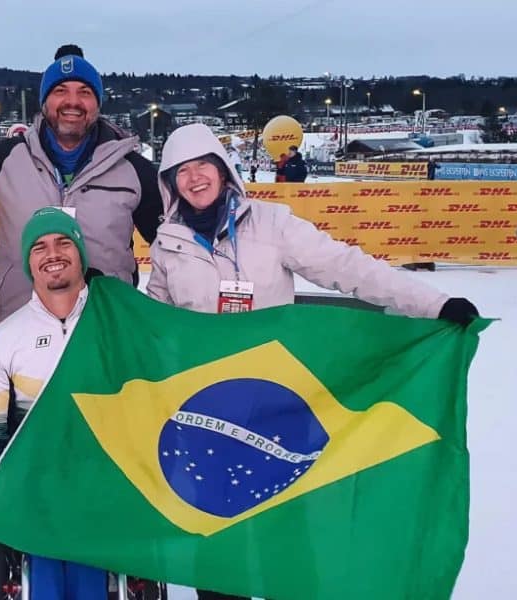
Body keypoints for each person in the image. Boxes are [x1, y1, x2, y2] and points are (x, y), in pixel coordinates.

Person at [147, 124, 478, 600]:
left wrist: (433, 304)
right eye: (180, 172)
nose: (194, 178)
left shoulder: (271, 224)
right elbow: (155, 325)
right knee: (216, 541)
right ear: (169, 183)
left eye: (203, 165)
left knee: (285, 532)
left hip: (279, 408)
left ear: (223, 169)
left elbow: (347, 268)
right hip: (209, 416)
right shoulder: (167, 244)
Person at [0, 207, 107, 599]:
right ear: (29, 263)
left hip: (104, 482)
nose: (53, 253)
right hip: (38, 488)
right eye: (39, 247)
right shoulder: (7, 338)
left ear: (81, 252)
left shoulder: (116, 321)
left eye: (64, 242)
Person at [0, 44, 162, 323]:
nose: (72, 102)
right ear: (44, 102)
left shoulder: (132, 168)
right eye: (60, 91)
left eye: (84, 92)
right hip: (20, 332)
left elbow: (174, 245)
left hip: (106, 331)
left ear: (97, 104)